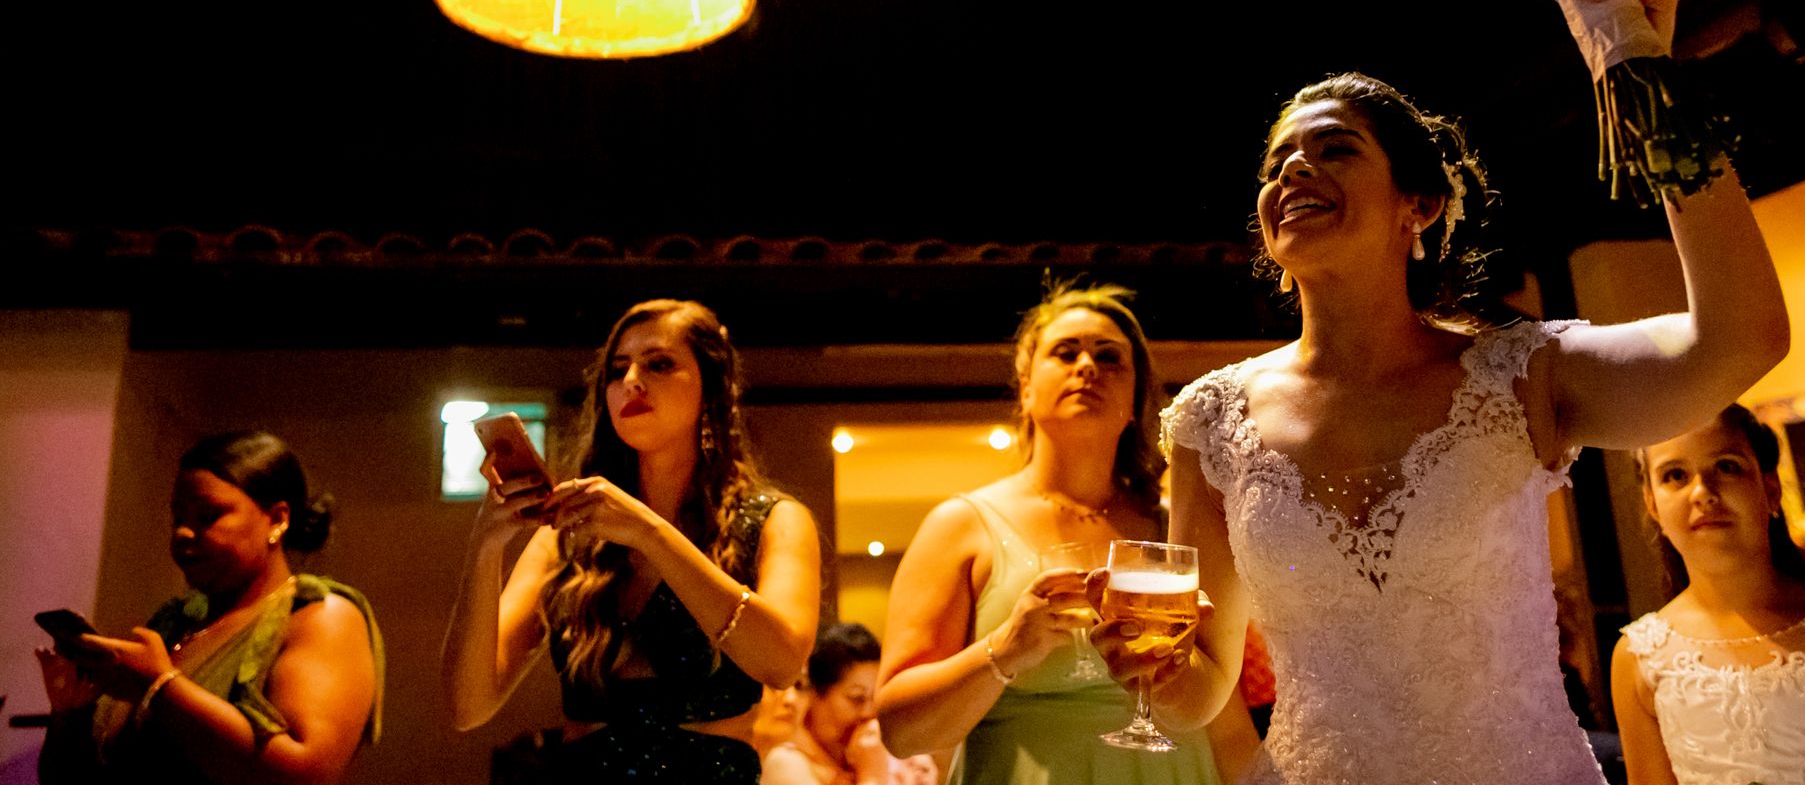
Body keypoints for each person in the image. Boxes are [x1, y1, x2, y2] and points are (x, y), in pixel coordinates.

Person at [1096, 0, 1793, 784]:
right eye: (1276, 164)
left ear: (1416, 205)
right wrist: (1151, 673)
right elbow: (1202, 685)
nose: (1292, 172)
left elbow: (1741, 338)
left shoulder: (1520, 375)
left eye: (1333, 149)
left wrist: (1634, 54)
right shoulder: (1209, 423)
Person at [442, 299, 821, 783]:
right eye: (618, 371)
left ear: (712, 389)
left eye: (659, 364)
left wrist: (650, 533)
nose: (632, 381)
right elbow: (467, 707)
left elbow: (782, 662)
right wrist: (486, 546)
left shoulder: (774, 521)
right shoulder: (569, 537)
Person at [875, 282, 1221, 785]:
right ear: (1026, 385)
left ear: (1134, 399)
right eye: (1065, 352)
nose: (1087, 367)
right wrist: (1006, 649)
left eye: (1109, 358)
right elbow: (902, 733)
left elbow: (1225, 722)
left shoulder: (1175, 530)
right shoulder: (962, 525)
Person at [36, 431, 382, 784]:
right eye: (178, 517)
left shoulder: (321, 618)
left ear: (277, 519)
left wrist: (160, 687)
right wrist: (71, 713)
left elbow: (309, 773)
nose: (183, 533)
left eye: (208, 515)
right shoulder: (176, 623)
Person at [1613, 405, 1805, 784]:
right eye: (1675, 475)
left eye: (1726, 467)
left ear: (1769, 488)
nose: (1702, 492)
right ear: (1652, 504)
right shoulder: (1638, 659)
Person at [764, 622, 936, 785]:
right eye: (857, 698)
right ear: (815, 694)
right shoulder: (786, 762)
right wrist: (872, 775)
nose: (868, 713)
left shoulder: (879, 757)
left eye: (874, 699)